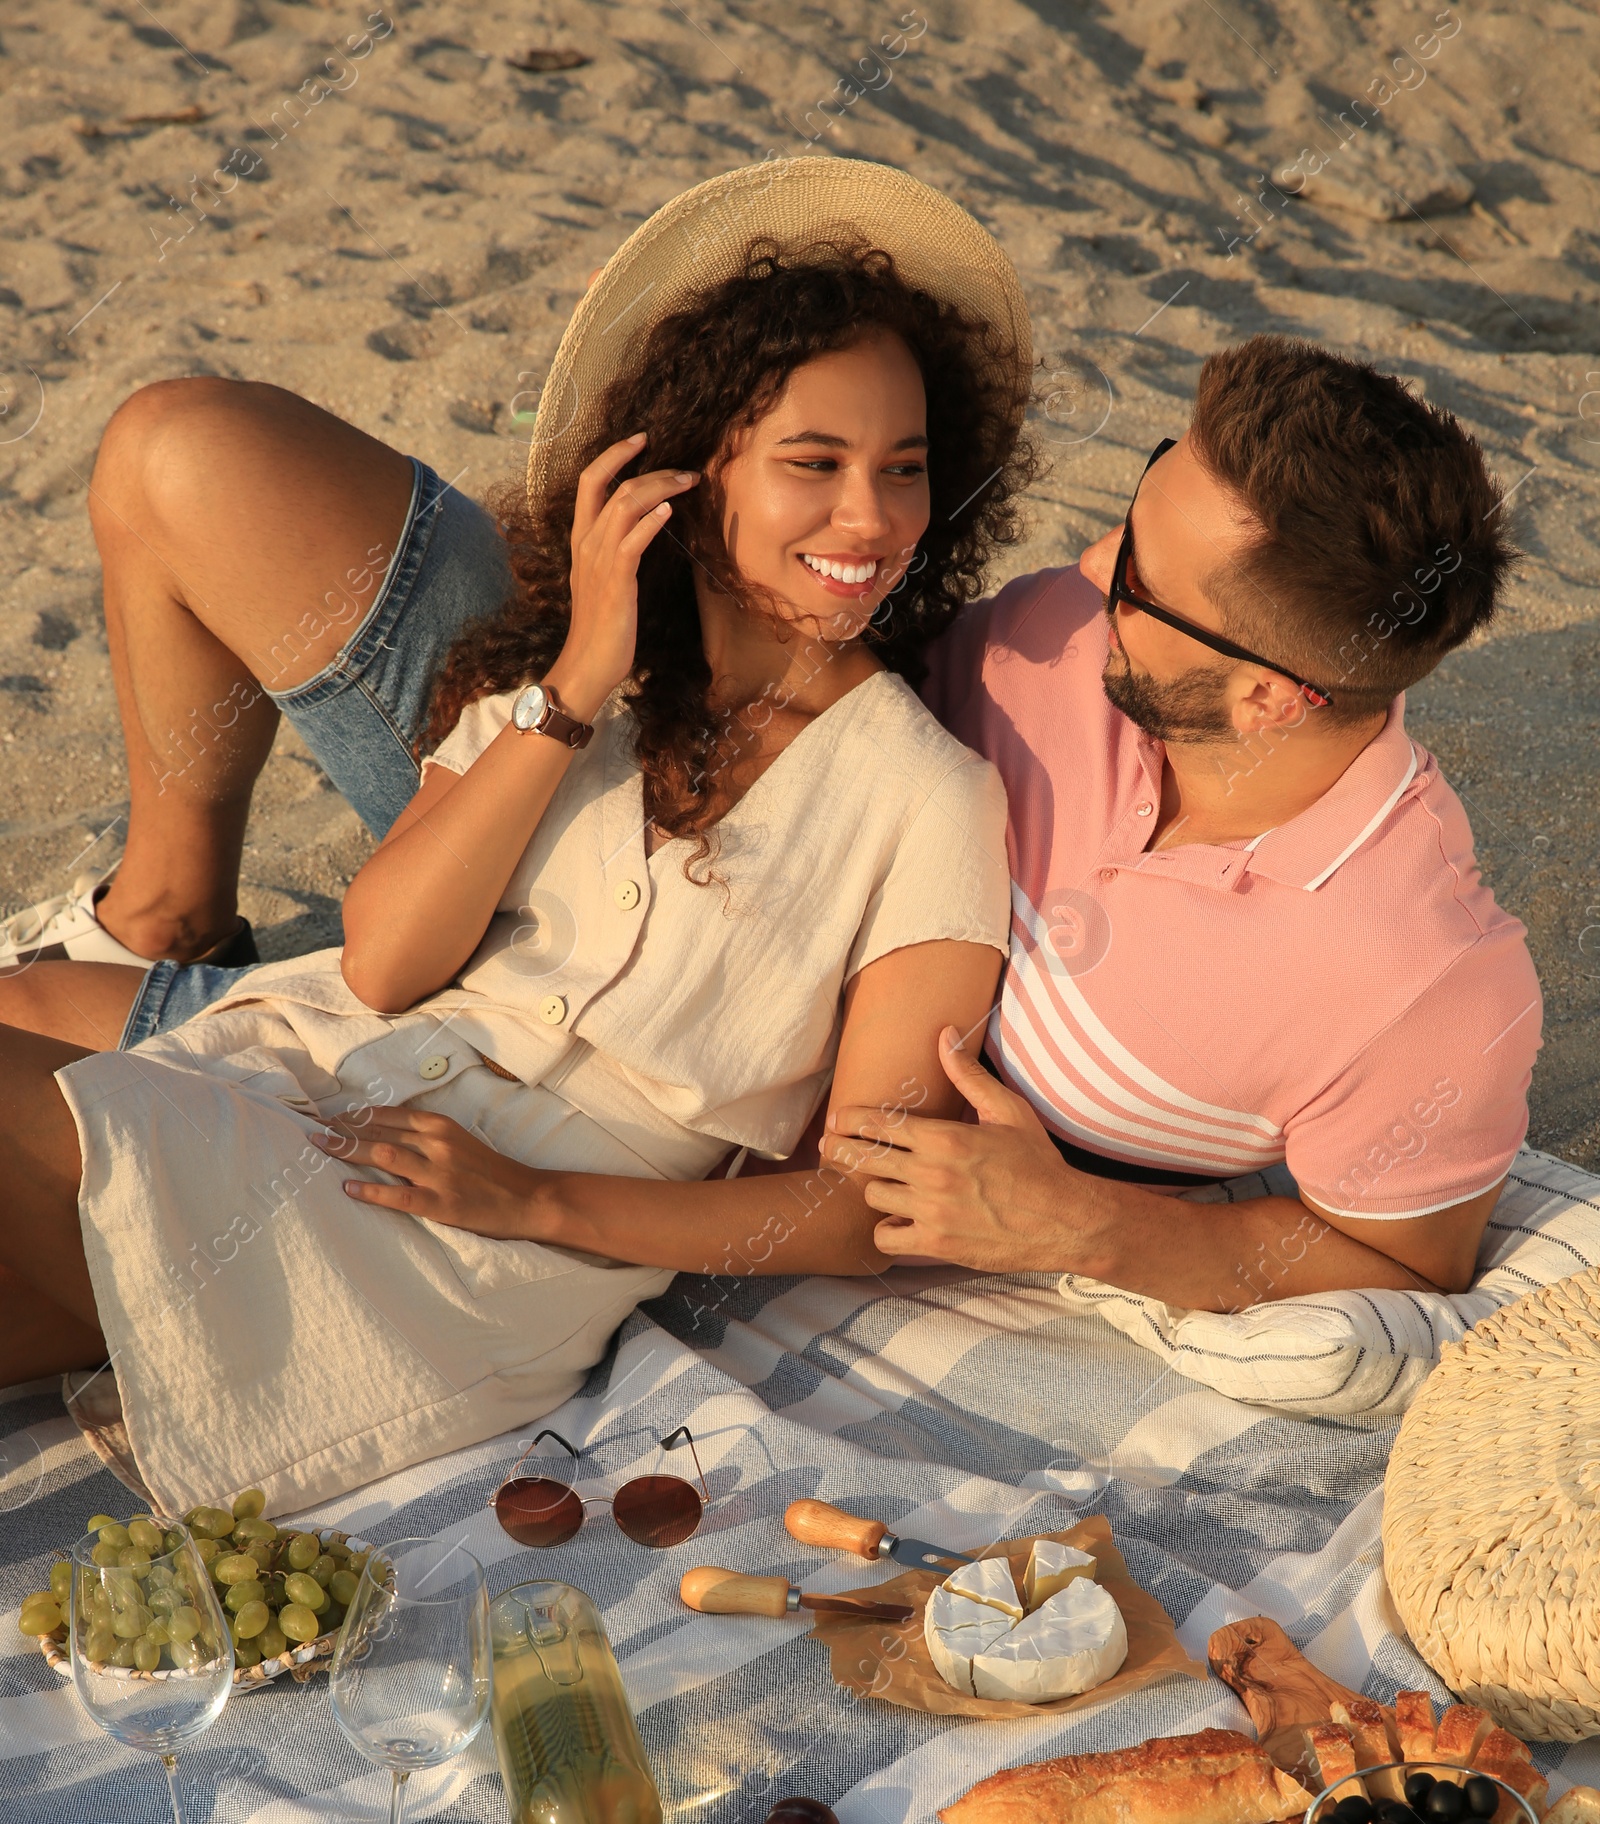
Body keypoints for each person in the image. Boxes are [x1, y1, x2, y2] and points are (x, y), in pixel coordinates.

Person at [0, 160, 1032, 1512]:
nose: (873, 519)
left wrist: (537, 1205)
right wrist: (576, 684)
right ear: (685, 477)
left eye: (904, 470)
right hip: (312, 1076)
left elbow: (859, 1208)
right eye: (815, 465)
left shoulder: (927, 795)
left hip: (460, 1257)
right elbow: (380, 962)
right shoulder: (571, 683)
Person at [824, 337, 1542, 1313]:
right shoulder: (1059, 630)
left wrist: (1084, 1225)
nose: (1089, 563)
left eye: (1139, 582)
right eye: (1134, 512)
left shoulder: (1418, 983)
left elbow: (1410, 1267)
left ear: (1266, 701)